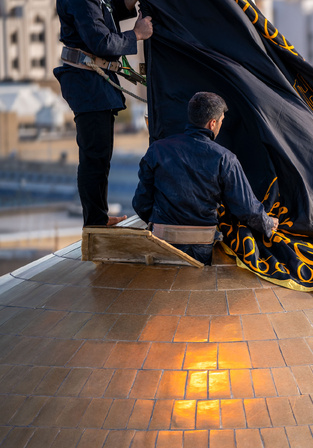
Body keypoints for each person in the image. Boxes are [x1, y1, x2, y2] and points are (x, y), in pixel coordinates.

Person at [132, 92, 279, 265]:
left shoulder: (157, 149)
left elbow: (140, 203)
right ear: (213, 123)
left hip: (162, 240)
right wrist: (268, 223)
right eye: (221, 121)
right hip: (201, 243)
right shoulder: (225, 158)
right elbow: (246, 208)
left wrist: (161, 223)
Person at [54, 0, 153, 227]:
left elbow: (107, 10)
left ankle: (98, 218)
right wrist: (136, 34)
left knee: (99, 157)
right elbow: (101, 41)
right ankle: (95, 222)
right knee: (95, 157)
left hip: (93, 82)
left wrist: (128, 3)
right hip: (87, 83)